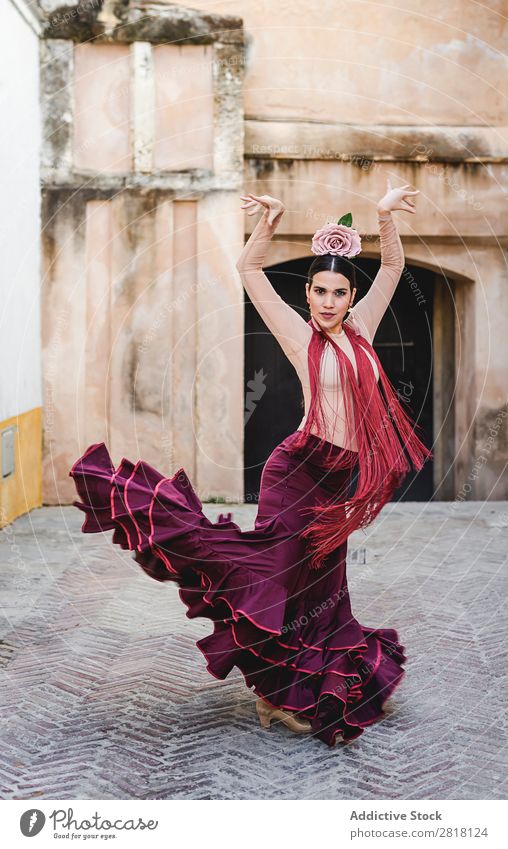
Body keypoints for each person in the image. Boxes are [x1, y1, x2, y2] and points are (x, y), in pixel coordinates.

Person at [69, 179, 432, 747]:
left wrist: (384, 215)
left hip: (339, 477)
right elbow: (248, 271)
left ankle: (291, 686)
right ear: (308, 295)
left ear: (350, 298)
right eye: (320, 292)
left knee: (319, 589)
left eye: (339, 293)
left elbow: (391, 266)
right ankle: (270, 693)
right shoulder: (298, 332)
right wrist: (269, 221)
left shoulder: (362, 332)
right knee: (275, 580)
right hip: (298, 471)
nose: (330, 302)